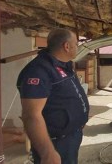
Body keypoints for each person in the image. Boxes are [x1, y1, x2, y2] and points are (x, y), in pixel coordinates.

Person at [17, 28, 89, 164]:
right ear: (66, 46)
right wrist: (48, 153)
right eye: (76, 44)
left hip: (70, 136)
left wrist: (78, 118)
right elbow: (31, 116)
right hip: (56, 142)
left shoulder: (64, 65)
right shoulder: (38, 71)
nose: (78, 47)